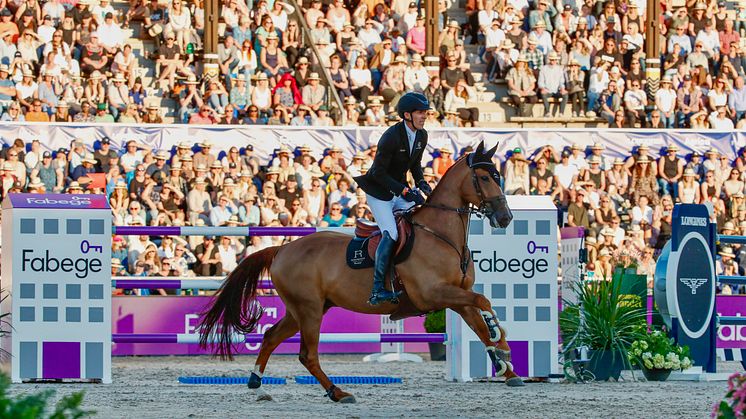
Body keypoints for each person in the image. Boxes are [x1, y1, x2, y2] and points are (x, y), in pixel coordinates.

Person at [353, 92, 430, 305]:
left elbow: (415, 165)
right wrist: (405, 192)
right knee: (392, 233)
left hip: (398, 190)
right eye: (420, 113)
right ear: (407, 115)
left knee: (423, 214)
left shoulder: (422, 135)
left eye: (425, 113)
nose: (424, 116)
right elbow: (378, 172)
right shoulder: (391, 137)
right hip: (379, 193)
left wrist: (422, 183)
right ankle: (377, 289)